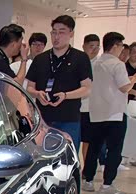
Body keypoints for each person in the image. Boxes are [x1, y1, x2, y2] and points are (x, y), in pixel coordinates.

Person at [82, 32, 136, 194]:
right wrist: (134, 80)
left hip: (96, 112)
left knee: (94, 148)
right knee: (114, 150)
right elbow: (124, 87)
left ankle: (88, 180)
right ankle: (107, 184)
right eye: (121, 46)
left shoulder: (96, 63)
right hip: (115, 113)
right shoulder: (117, 64)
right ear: (116, 45)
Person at [25, 15, 93, 151]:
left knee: (67, 155)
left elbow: (86, 89)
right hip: (43, 119)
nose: (56, 37)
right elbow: (29, 88)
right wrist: (37, 94)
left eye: (61, 32)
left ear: (71, 34)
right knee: (41, 155)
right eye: (54, 32)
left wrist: (66, 95)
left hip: (69, 119)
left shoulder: (80, 58)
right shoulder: (40, 59)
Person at [80, 34, 101, 163]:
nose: (95, 49)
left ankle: (86, 168)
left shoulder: (100, 65)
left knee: (89, 141)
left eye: (97, 47)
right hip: (76, 108)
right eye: (91, 46)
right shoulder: (78, 61)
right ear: (84, 46)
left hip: (92, 109)